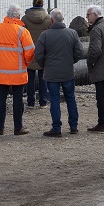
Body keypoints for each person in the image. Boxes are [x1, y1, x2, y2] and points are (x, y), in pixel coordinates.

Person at [34, 9, 84, 137]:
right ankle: (74, 126)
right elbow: (80, 52)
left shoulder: (45, 35)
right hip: (67, 71)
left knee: (54, 100)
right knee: (70, 98)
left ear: (51, 20)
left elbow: (38, 54)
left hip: (51, 73)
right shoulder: (72, 33)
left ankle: (56, 128)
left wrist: (45, 64)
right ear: (62, 19)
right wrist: (70, 61)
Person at [0, 4, 35, 135]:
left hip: (1, 73)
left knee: (1, 100)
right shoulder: (22, 31)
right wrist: (27, 63)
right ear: (18, 16)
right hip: (18, 74)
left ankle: (0, 128)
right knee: (18, 100)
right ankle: (18, 127)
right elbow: (30, 52)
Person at [21, 0, 52, 109]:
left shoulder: (24, 19)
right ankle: (43, 101)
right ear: (42, 5)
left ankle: (30, 102)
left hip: (29, 51)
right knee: (43, 77)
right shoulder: (48, 18)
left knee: (30, 78)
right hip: (43, 51)